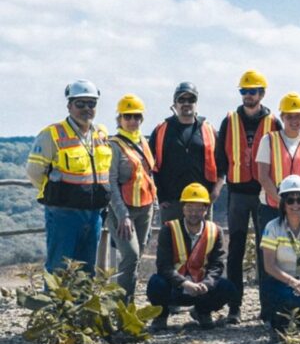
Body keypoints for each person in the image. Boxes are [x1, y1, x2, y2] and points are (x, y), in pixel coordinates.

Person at [26, 80, 112, 274]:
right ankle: (58, 305)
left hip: (94, 213)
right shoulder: (51, 134)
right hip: (63, 213)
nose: (86, 109)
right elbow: (34, 172)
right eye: (80, 104)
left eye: (91, 104)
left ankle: (82, 304)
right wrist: (57, 193)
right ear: (69, 105)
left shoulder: (100, 133)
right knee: (59, 268)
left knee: (87, 269)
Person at [216, 69, 280, 325]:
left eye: (252, 91)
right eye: (244, 91)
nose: (248, 96)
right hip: (238, 194)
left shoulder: (273, 121)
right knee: (236, 251)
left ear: (262, 94)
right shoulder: (229, 120)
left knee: (266, 250)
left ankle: (267, 307)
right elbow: (221, 156)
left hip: (264, 194)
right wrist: (222, 182)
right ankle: (235, 307)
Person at [255, 92, 300, 319]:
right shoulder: (269, 140)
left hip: (299, 207)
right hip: (271, 205)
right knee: (270, 258)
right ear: (282, 117)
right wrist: (280, 201)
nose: (294, 121)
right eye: (289, 116)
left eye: (299, 116)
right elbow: (263, 175)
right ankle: (269, 310)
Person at [147, 183, 234, 330]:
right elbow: (164, 265)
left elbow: (217, 265)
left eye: (198, 209)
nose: (193, 213)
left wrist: (206, 284)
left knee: (227, 288)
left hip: (201, 287)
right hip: (175, 286)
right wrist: (184, 283)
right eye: (189, 208)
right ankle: (161, 316)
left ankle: (202, 312)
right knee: (156, 283)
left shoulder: (215, 231)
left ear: (206, 209)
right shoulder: (169, 229)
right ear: (183, 208)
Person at [105, 94, 156, 301]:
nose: (133, 121)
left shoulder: (143, 142)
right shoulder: (114, 145)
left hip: (145, 207)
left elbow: (148, 175)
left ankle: (129, 301)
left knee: (137, 257)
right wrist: (123, 215)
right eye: (128, 117)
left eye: (137, 117)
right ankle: (122, 305)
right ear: (120, 119)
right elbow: (111, 182)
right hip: (123, 210)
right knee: (131, 255)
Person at [260, 175, 300, 334]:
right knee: (292, 298)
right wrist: (293, 282)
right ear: (283, 203)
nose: (295, 204)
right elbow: (269, 266)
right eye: (290, 200)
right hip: (281, 283)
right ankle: (279, 322)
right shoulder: (272, 227)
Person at [150, 82, 218, 222]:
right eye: (182, 100)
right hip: (172, 203)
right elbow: (150, 166)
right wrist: (160, 196)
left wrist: (215, 191)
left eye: (191, 100)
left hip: (202, 201)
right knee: (171, 243)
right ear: (174, 104)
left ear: (196, 103)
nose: (186, 103)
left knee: (203, 243)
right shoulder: (161, 130)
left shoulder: (209, 130)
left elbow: (222, 164)